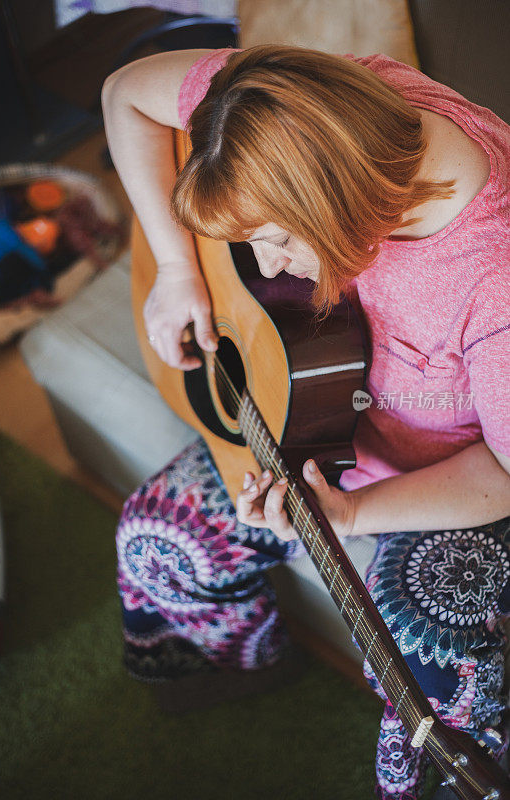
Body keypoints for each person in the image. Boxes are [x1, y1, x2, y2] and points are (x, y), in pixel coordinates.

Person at [101, 45, 510, 800]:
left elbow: (504, 471)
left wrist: (352, 511)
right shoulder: (310, 108)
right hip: (319, 406)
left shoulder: (495, 279)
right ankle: (241, 672)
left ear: (339, 200)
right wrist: (177, 268)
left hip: (448, 483)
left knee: (427, 668)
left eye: (278, 239)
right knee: (153, 536)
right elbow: (125, 91)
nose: (261, 260)